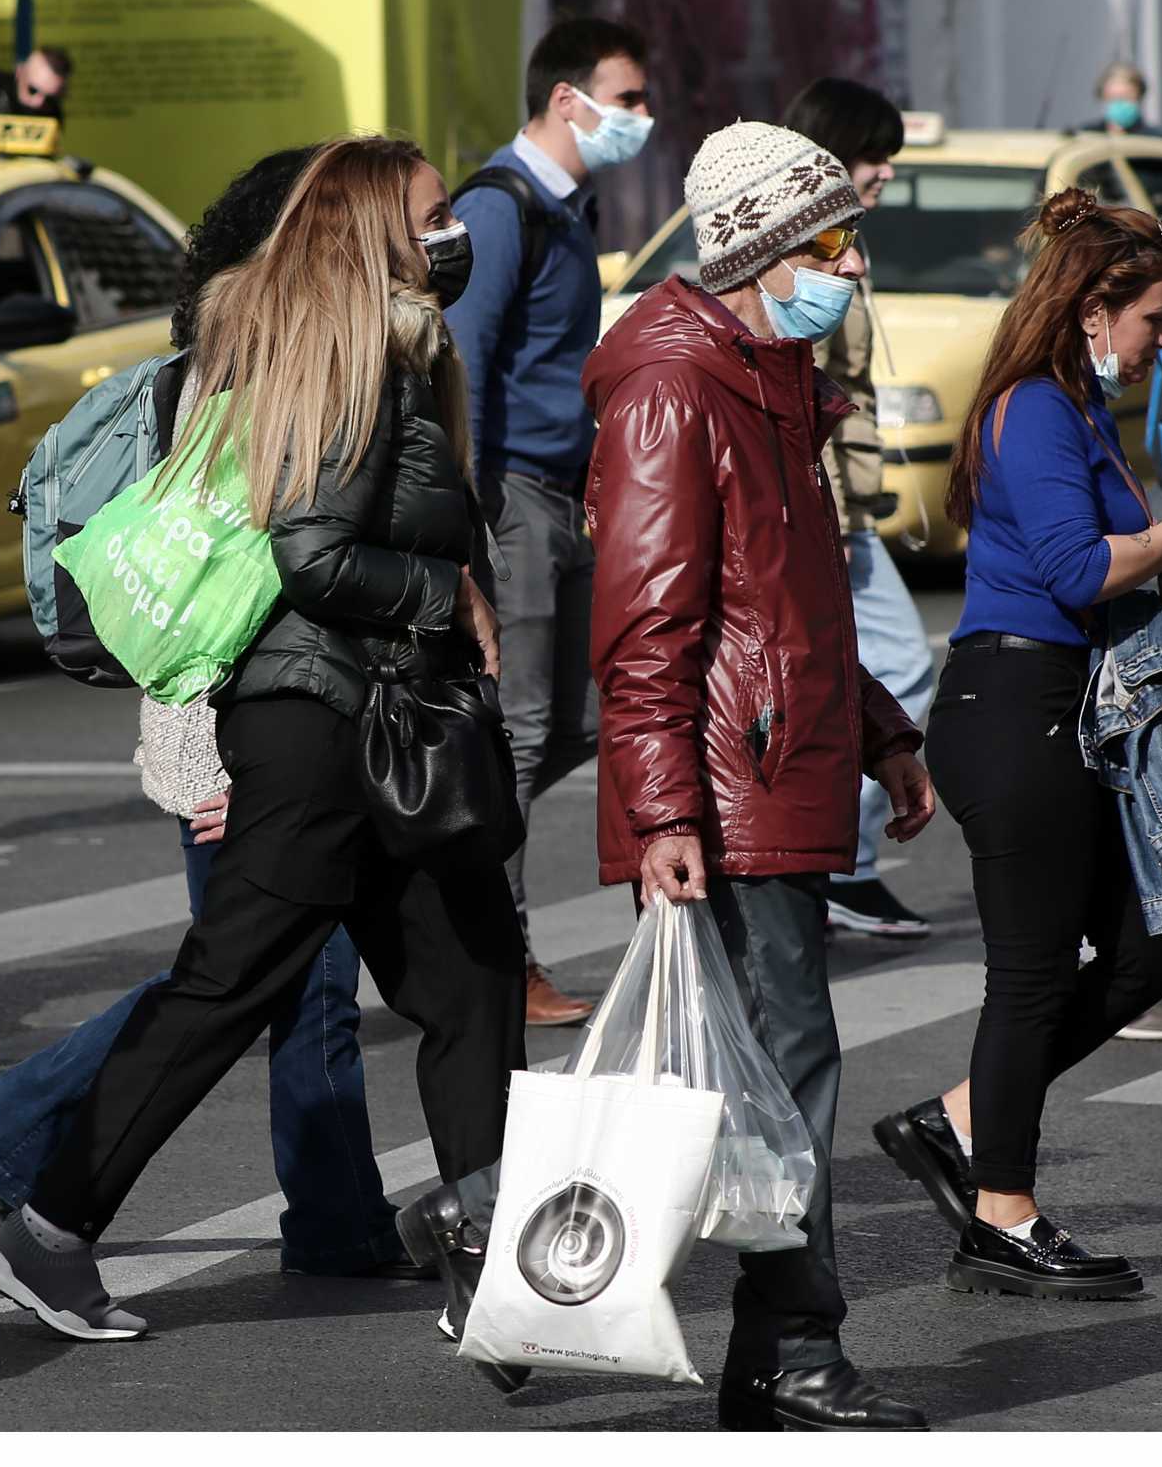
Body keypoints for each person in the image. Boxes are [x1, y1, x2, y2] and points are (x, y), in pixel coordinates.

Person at [412, 125, 939, 1431]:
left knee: (727, 1077)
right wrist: (659, 810)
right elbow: (647, 624)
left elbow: (796, 597)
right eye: (832, 243)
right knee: (786, 1061)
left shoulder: (771, 372)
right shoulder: (675, 388)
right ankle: (789, 1348)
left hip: (779, 761)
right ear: (761, 249)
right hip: (726, 780)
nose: (852, 265)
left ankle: (489, 1228)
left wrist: (880, 729)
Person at [0, 136, 525, 1341]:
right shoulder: (361, 353)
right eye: (432, 215)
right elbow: (310, 554)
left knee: (470, 979)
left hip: (369, 719)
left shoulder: (344, 343)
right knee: (229, 984)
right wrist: (453, 598)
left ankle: (492, 1260)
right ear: (378, 231)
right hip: (320, 723)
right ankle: (50, 1225)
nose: (453, 234)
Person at [872, 190, 1162, 1300]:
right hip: (1013, 703)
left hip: (1069, 708)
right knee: (1036, 972)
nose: (1161, 341)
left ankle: (954, 1123)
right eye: (1152, 318)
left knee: (1145, 951)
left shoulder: (1076, 409)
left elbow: (1108, 556)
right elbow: (1074, 570)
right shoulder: (1034, 410)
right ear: (1096, 311)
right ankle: (1001, 1213)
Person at [447, 15, 654, 1027]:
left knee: (567, 723)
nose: (641, 118)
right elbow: (463, 368)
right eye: (627, 99)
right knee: (521, 735)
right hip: (511, 498)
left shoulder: (569, 209)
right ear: (566, 100)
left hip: (563, 493)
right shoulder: (499, 207)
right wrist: (470, 530)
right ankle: (495, 951)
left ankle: (458, 906)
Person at [780, 77, 938, 941]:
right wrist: (832, 517)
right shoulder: (805, 245)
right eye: (872, 156)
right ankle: (837, 859)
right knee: (897, 670)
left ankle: (839, 862)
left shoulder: (838, 239)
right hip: (826, 509)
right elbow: (803, 392)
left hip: (846, 504)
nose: (884, 173)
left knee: (871, 676)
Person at [0, 46, 72, 130]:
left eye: (50, 98)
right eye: (32, 90)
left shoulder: (52, 112)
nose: (39, 102)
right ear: (19, 73)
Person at [1082, 63, 1162, 141]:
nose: (1119, 103)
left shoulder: (1158, 141)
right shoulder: (1085, 138)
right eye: (1113, 97)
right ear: (1103, 97)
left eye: (1125, 97)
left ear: (1139, 97)